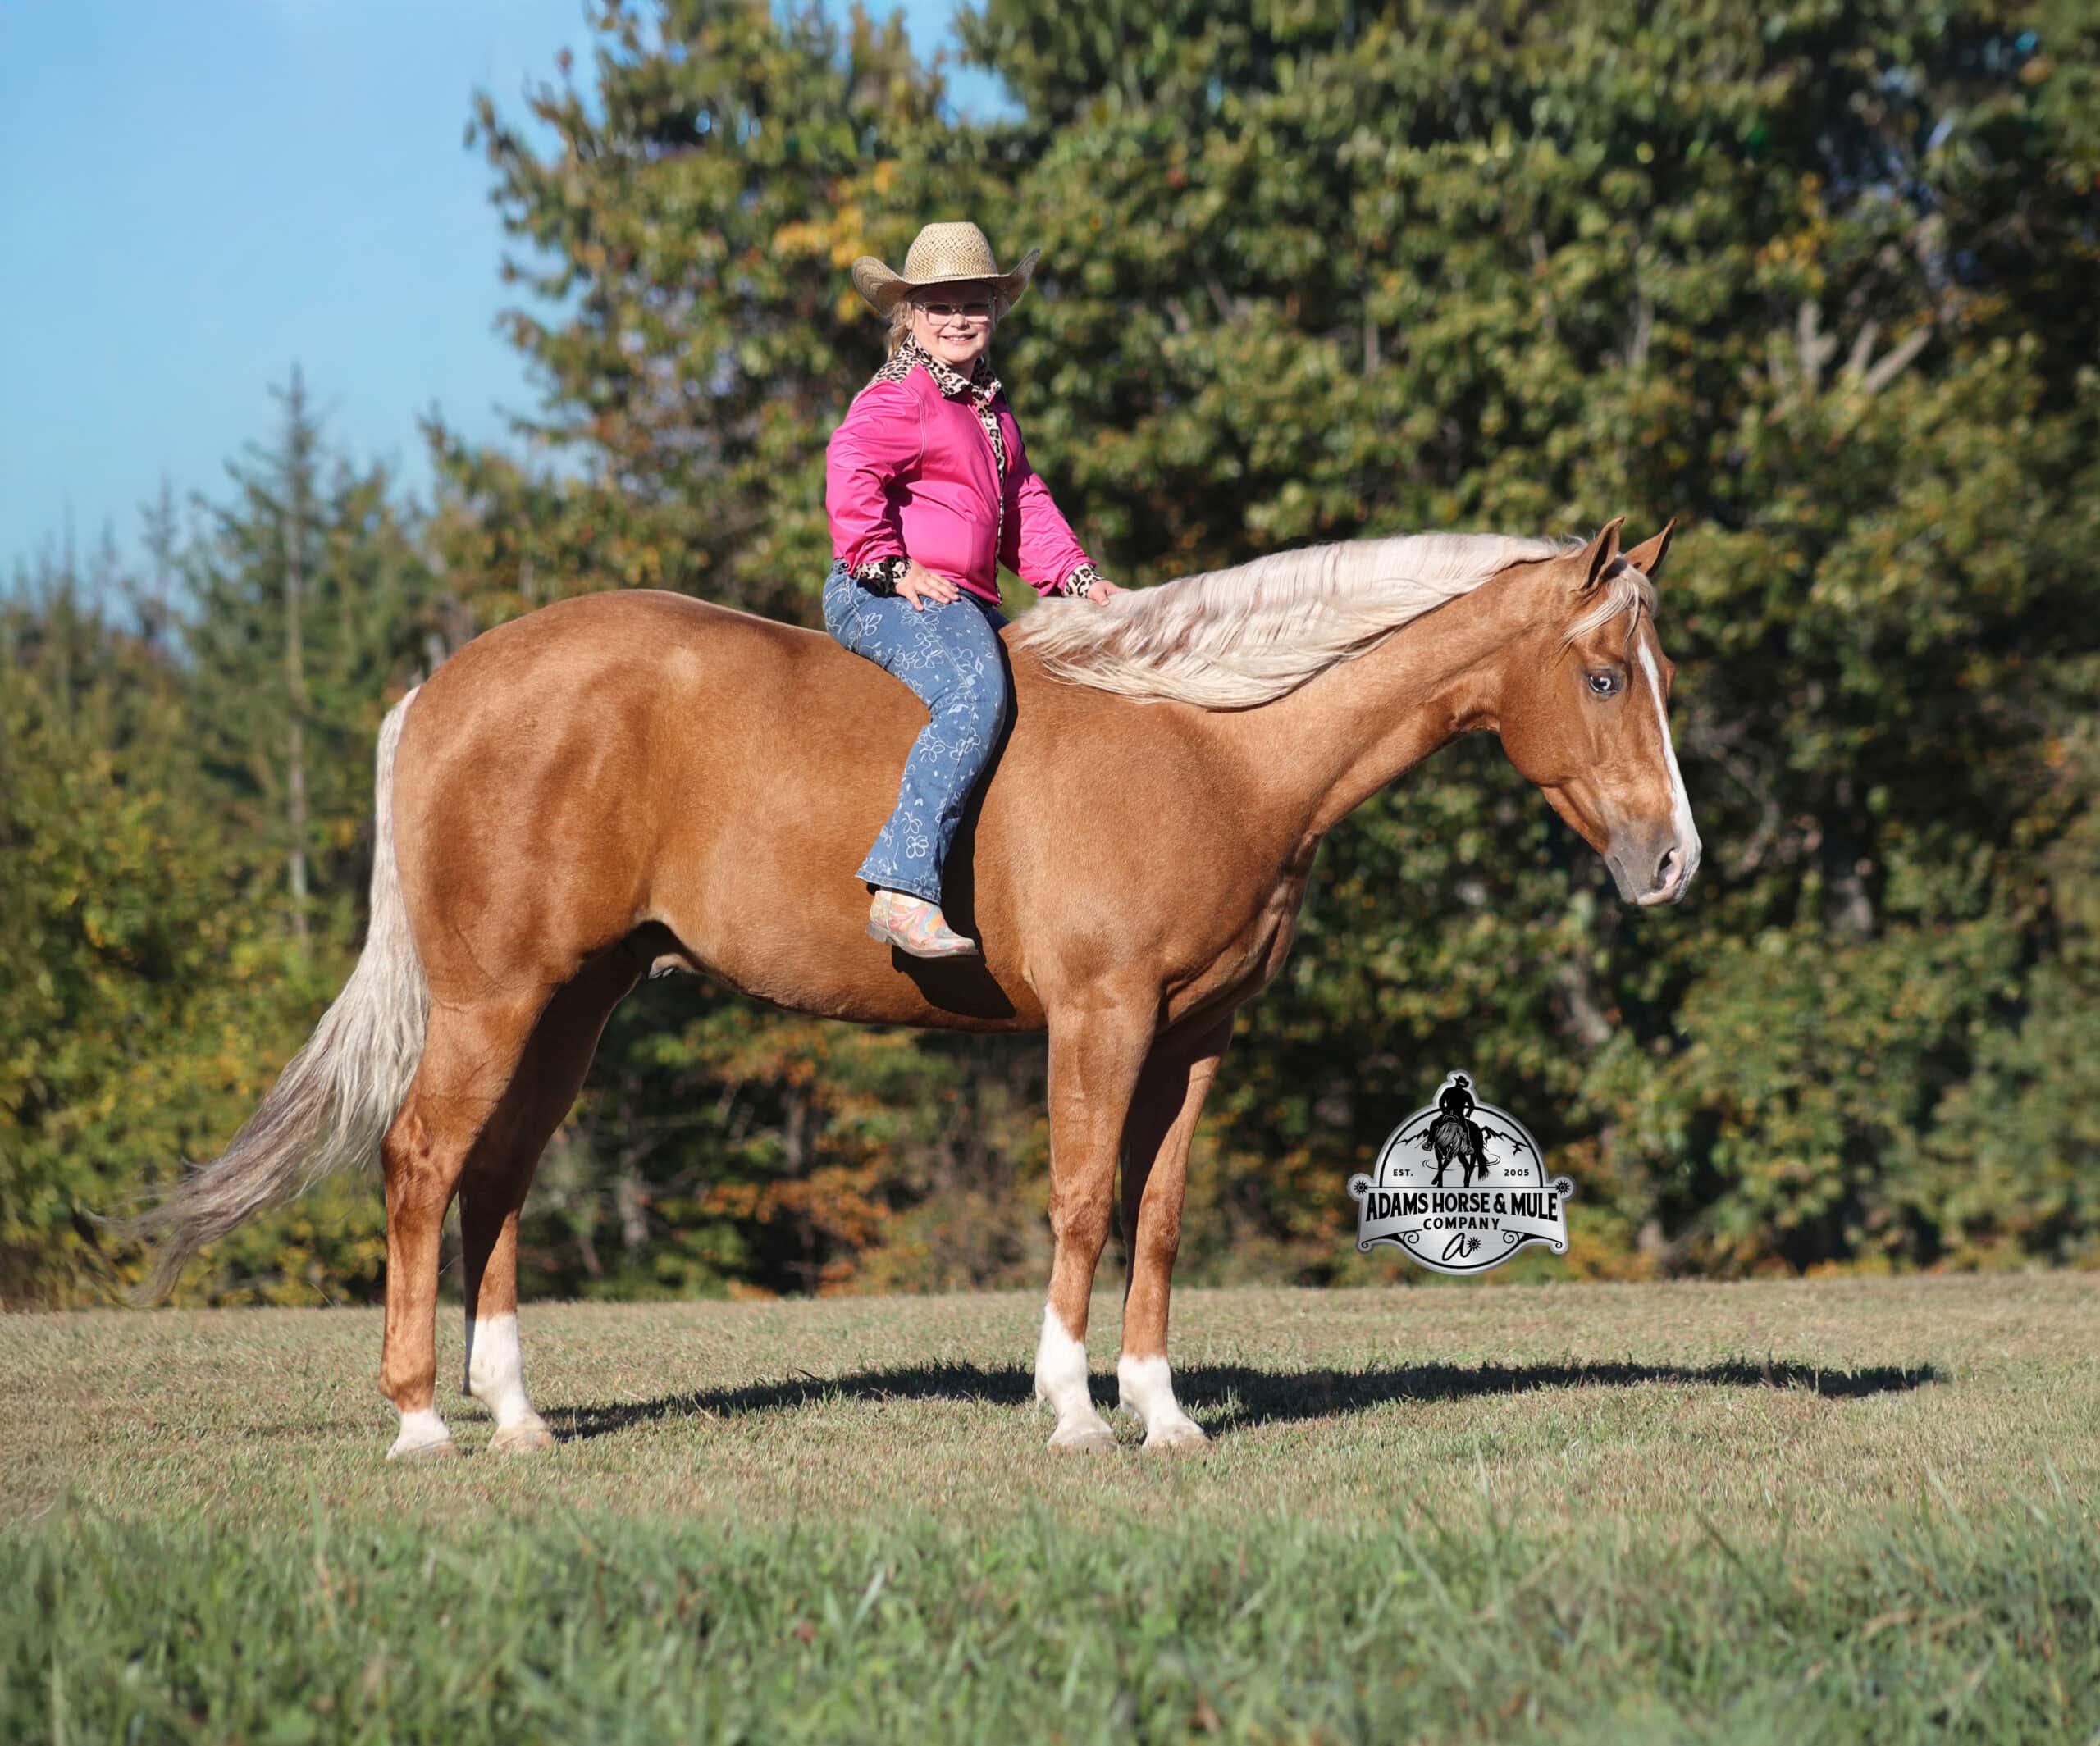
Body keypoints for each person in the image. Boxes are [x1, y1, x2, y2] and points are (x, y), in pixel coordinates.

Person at [824, 221, 1123, 958]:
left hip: (963, 597)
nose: (960, 319)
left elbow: (1021, 505)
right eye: (941, 305)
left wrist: (1080, 580)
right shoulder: (904, 395)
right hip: (884, 590)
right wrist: (889, 565)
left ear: (994, 313)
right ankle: (903, 886)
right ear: (911, 317)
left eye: (975, 304)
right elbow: (849, 466)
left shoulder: (987, 406)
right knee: (972, 691)